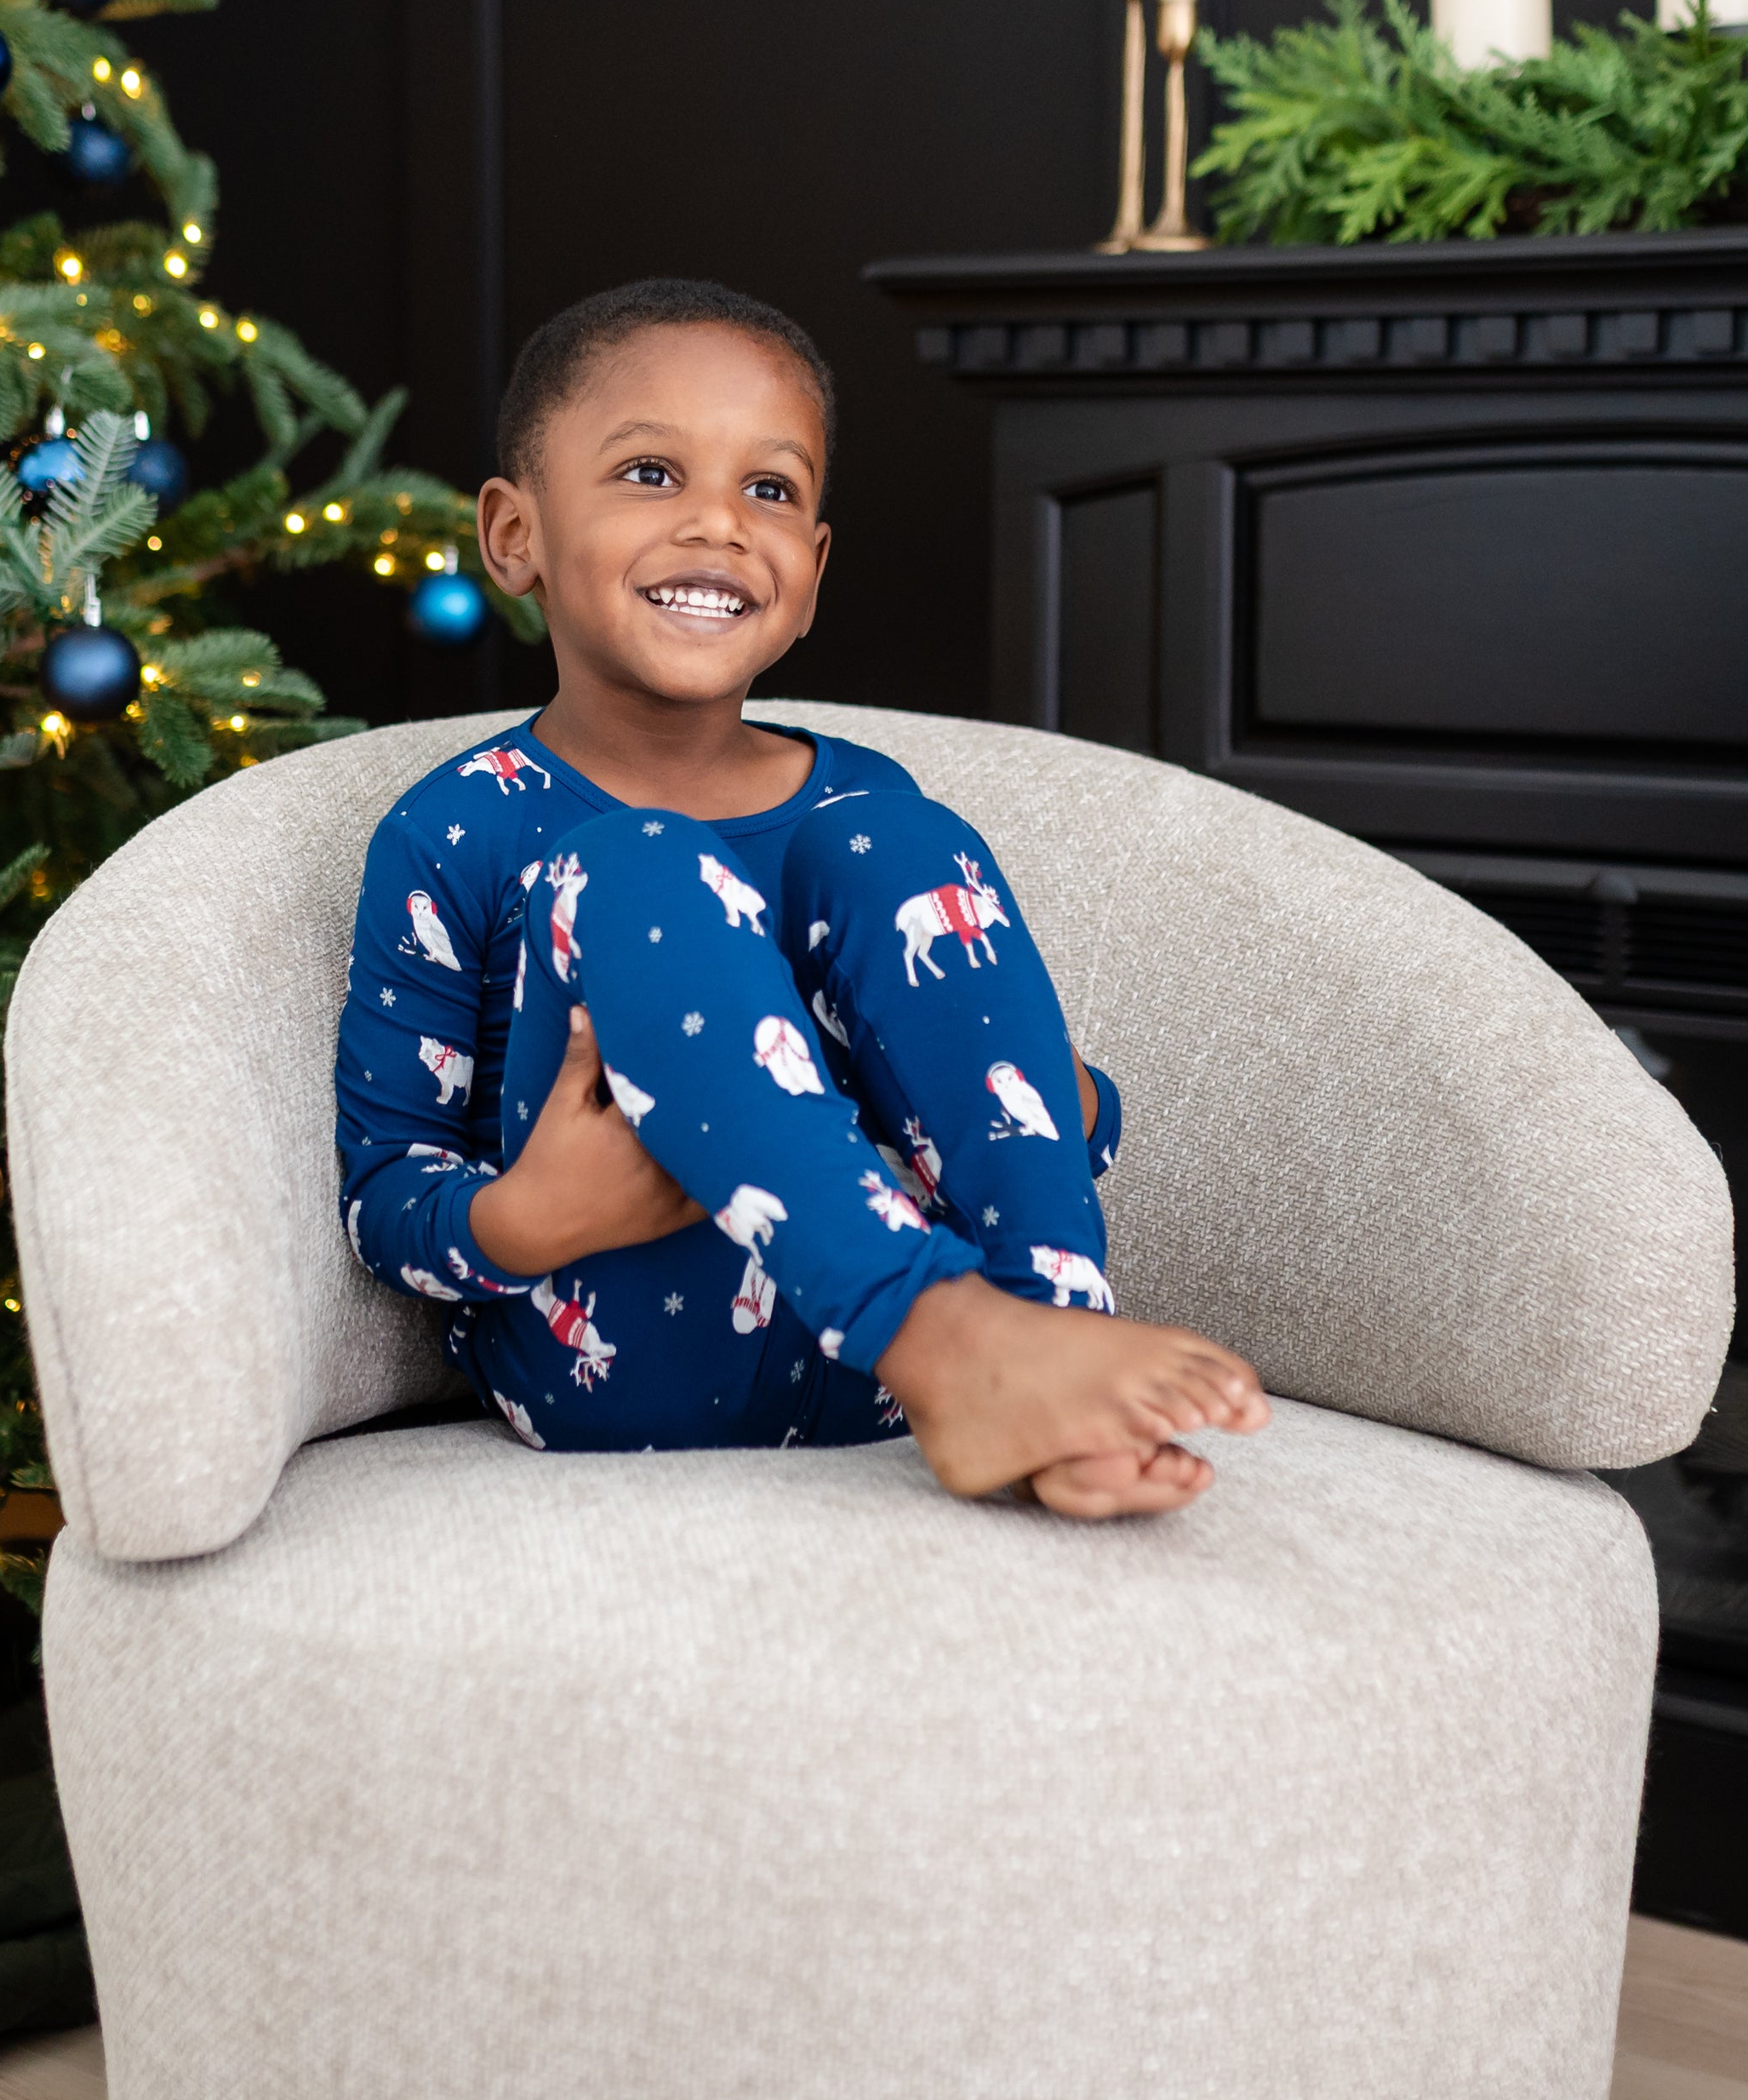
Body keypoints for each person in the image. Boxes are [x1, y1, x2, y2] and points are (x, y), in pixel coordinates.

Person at [335, 278, 1267, 1517]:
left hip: (873, 1393)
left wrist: (1048, 1095)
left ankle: (1048, 1357)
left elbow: (1023, 1117)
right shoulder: (459, 827)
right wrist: (528, 1218)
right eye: (651, 474)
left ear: (813, 569)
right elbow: (384, 1200)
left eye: (769, 490)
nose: (719, 525)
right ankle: (960, 1347)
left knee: (901, 840)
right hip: (623, 1361)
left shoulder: (868, 809)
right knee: (639, 860)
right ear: (517, 535)